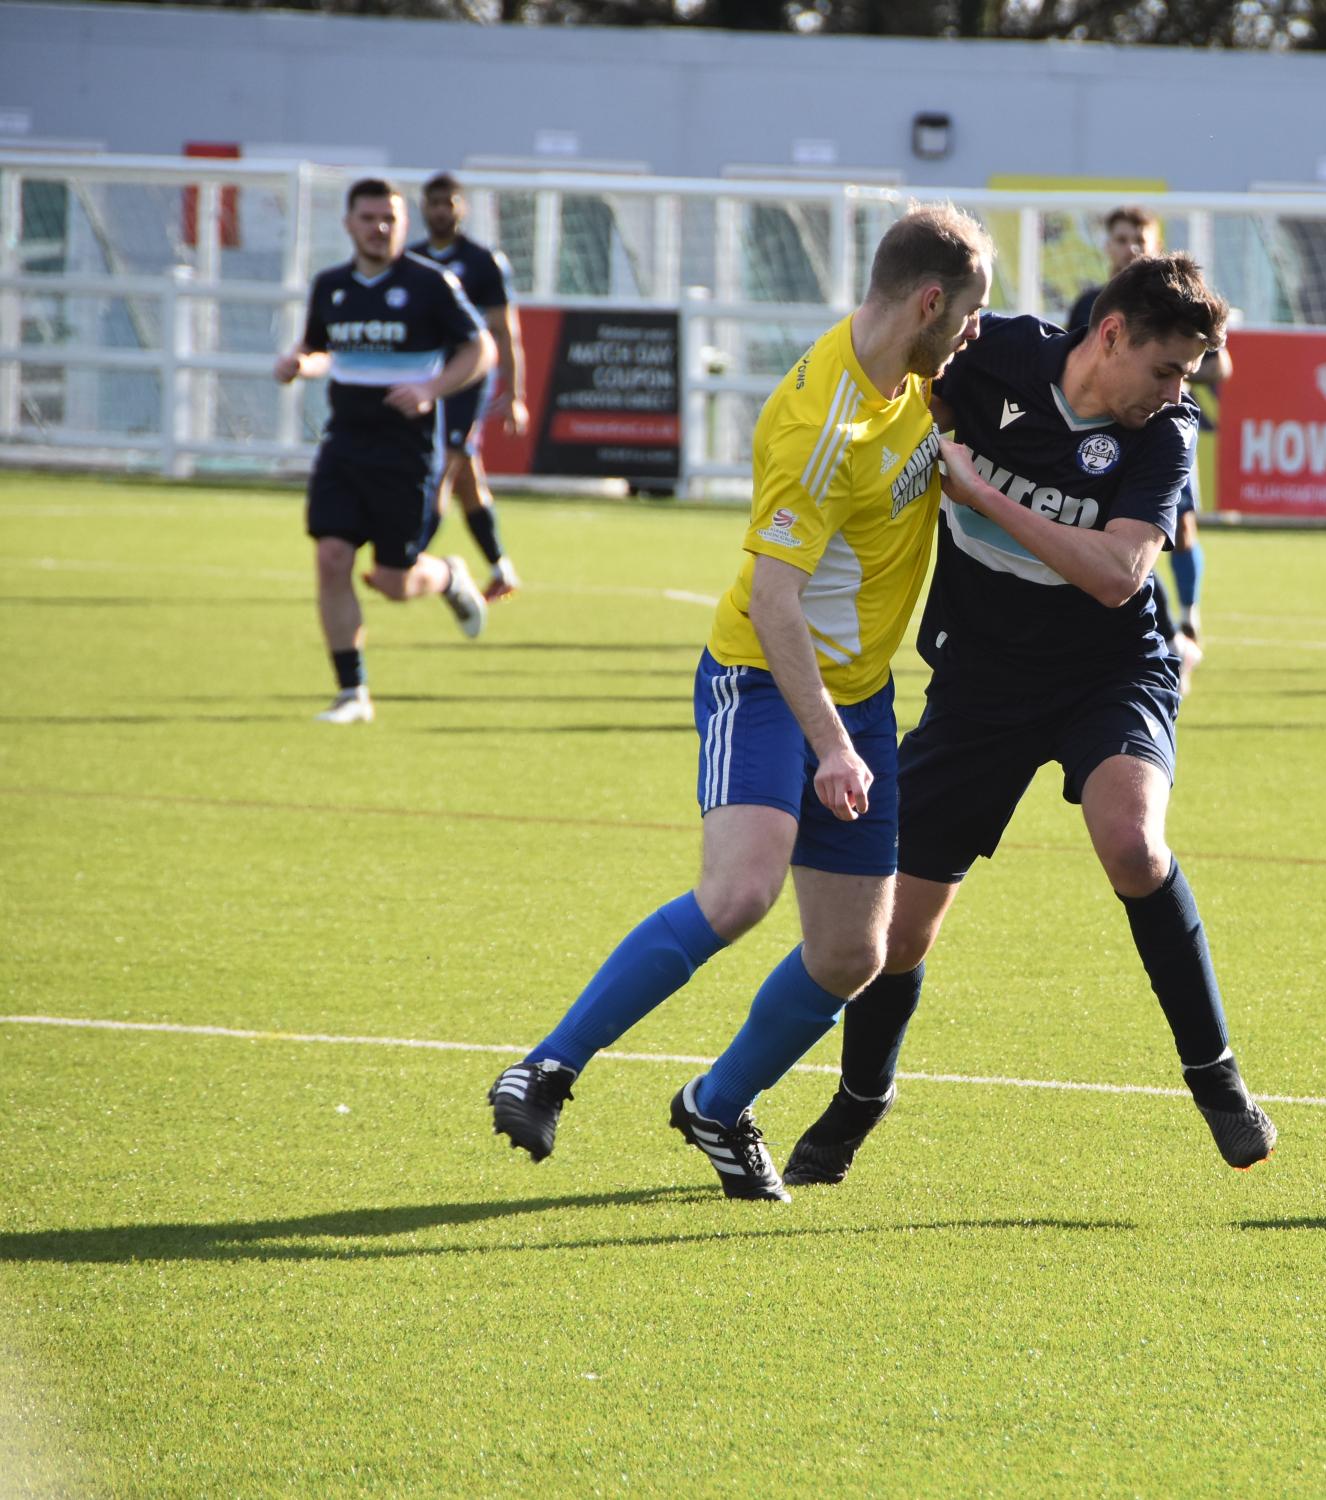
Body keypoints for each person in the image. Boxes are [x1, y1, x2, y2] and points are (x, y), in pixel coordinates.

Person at [486, 205, 993, 1201]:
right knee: (741, 891)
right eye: (970, 315)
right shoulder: (820, 423)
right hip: (763, 678)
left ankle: (716, 1106)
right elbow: (772, 601)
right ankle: (546, 1065)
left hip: (861, 698)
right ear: (929, 303)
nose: (976, 334)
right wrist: (833, 748)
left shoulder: (922, 382)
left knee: (853, 953)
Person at [780, 252, 1277, 1187]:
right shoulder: (994, 355)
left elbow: (1118, 576)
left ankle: (1215, 1078)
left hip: (1110, 670)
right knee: (897, 934)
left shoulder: (1165, 434)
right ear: (1113, 334)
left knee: (1133, 845)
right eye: (1169, 370)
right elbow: (893, 379)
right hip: (981, 683)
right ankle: (859, 1100)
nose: (1178, 392)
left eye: (1191, 378)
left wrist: (981, 494)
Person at [274, 177, 494, 725]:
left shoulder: (430, 284)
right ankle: (353, 693)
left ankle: (446, 575)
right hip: (345, 444)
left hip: (406, 452)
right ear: (348, 223)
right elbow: (323, 348)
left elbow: (480, 347)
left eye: (389, 219)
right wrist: (301, 362)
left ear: (403, 225)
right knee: (331, 558)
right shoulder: (330, 286)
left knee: (396, 582)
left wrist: (431, 389)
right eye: (369, 218)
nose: (379, 228)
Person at [1068, 206, 1227, 668]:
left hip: (1159, 429)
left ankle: (1188, 619)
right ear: (1107, 245)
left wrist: (1165, 372)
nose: (1131, 247)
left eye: (1140, 237)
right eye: (1121, 238)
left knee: (1177, 526)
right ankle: (1168, 638)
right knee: (1109, 529)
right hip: (1103, 432)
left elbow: (1221, 364)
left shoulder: (1183, 307)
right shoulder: (1090, 304)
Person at [410, 172, 527, 601]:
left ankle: (409, 558)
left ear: (463, 207)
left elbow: (504, 331)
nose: (441, 210)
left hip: (469, 382)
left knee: (443, 468)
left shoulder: (482, 262)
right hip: (425, 379)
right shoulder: (413, 260)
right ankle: (502, 568)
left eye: (449, 202)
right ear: (423, 207)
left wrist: (514, 394)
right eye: (434, 202)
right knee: (465, 480)